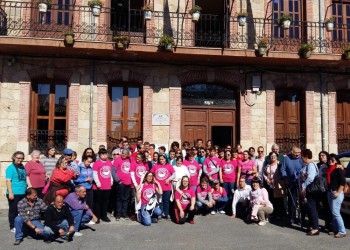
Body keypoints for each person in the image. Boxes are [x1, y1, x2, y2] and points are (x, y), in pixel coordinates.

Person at [281, 146, 303, 226]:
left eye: (298, 153)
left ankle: (301, 218)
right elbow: (283, 169)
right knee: (292, 202)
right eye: (295, 153)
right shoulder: (287, 158)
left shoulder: (301, 158)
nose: (297, 155)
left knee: (301, 201)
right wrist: (285, 178)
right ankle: (291, 218)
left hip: (300, 182)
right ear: (291, 152)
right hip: (290, 182)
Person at [6, 151, 27, 233]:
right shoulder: (10, 168)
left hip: (23, 192)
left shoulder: (22, 167)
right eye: (18, 158)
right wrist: (10, 192)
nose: (20, 160)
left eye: (22, 158)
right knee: (13, 210)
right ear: (14, 158)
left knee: (22, 210)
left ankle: (20, 225)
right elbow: (8, 181)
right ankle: (12, 226)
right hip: (14, 192)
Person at [300, 149, 319, 236]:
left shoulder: (311, 165)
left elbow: (311, 178)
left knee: (312, 208)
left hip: (311, 189)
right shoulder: (307, 164)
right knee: (309, 208)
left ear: (306, 156)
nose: (301, 158)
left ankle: (315, 228)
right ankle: (312, 225)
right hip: (308, 189)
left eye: (302, 156)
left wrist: (303, 186)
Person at [150, 154, 176, 221]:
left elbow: (174, 174)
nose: (161, 160)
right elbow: (151, 174)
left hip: (167, 187)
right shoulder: (155, 166)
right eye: (160, 159)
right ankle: (160, 214)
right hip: (158, 187)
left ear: (165, 159)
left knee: (166, 201)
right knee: (159, 201)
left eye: (163, 159)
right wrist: (154, 180)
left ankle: (166, 214)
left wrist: (169, 179)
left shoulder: (169, 166)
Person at [327, 155, 347, 238]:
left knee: (336, 212)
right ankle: (335, 229)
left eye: (332, 159)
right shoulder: (329, 169)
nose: (330, 161)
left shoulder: (338, 169)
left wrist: (338, 192)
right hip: (330, 191)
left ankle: (342, 231)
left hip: (336, 192)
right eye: (329, 159)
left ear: (336, 161)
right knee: (333, 212)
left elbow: (342, 182)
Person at [92, 148, 113, 223]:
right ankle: (97, 216)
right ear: (99, 155)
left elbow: (110, 173)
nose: (104, 156)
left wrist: (111, 180)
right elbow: (95, 174)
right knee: (98, 202)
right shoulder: (96, 163)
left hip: (107, 185)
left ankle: (104, 215)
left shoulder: (109, 162)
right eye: (102, 154)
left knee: (105, 202)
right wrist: (97, 182)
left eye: (105, 154)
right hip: (99, 186)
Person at [262, 151, 285, 218]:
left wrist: (276, 180)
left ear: (277, 157)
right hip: (270, 184)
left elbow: (281, 174)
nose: (273, 157)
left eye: (274, 156)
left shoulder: (279, 165)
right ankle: (273, 213)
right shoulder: (268, 165)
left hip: (278, 184)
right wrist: (266, 179)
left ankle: (279, 214)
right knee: (271, 198)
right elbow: (264, 173)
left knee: (278, 199)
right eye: (271, 156)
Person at [112, 148, 132, 220]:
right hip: (120, 183)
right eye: (122, 153)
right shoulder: (117, 160)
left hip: (128, 183)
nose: (123, 155)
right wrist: (118, 180)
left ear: (128, 155)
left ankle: (125, 213)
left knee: (126, 199)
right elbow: (113, 171)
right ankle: (118, 214)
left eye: (125, 154)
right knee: (119, 199)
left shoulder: (130, 160)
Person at [317, 151, 332, 232]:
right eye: (320, 156)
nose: (321, 157)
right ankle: (326, 224)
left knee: (328, 208)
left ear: (327, 156)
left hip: (328, 189)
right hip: (320, 189)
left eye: (323, 155)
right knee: (323, 208)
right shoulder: (318, 165)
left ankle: (330, 226)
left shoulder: (330, 165)